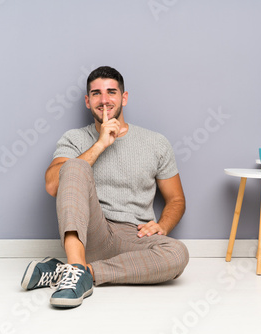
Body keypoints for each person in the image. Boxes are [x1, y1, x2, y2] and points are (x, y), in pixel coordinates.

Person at [20, 66, 189, 308]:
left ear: (124, 97)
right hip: (92, 233)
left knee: (178, 254)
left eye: (111, 92)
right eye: (96, 94)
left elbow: (176, 200)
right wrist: (100, 145)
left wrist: (163, 225)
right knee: (75, 167)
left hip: (134, 238)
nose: (105, 100)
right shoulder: (74, 139)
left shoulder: (156, 142)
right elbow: (52, 185)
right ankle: (77, 265)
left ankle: (76, 272)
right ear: (88, 102)